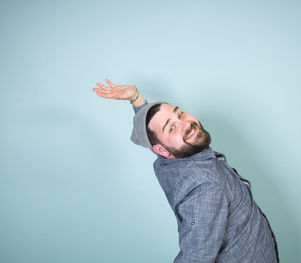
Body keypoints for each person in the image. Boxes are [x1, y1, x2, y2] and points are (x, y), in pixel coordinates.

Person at [93, 79, 279, 263]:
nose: (186, 124)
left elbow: (154, 132)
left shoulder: (169, 155)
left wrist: (137, 100)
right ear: (162, 150)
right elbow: (197, 257)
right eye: (172, 128)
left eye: (179, 114)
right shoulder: (205, 188)